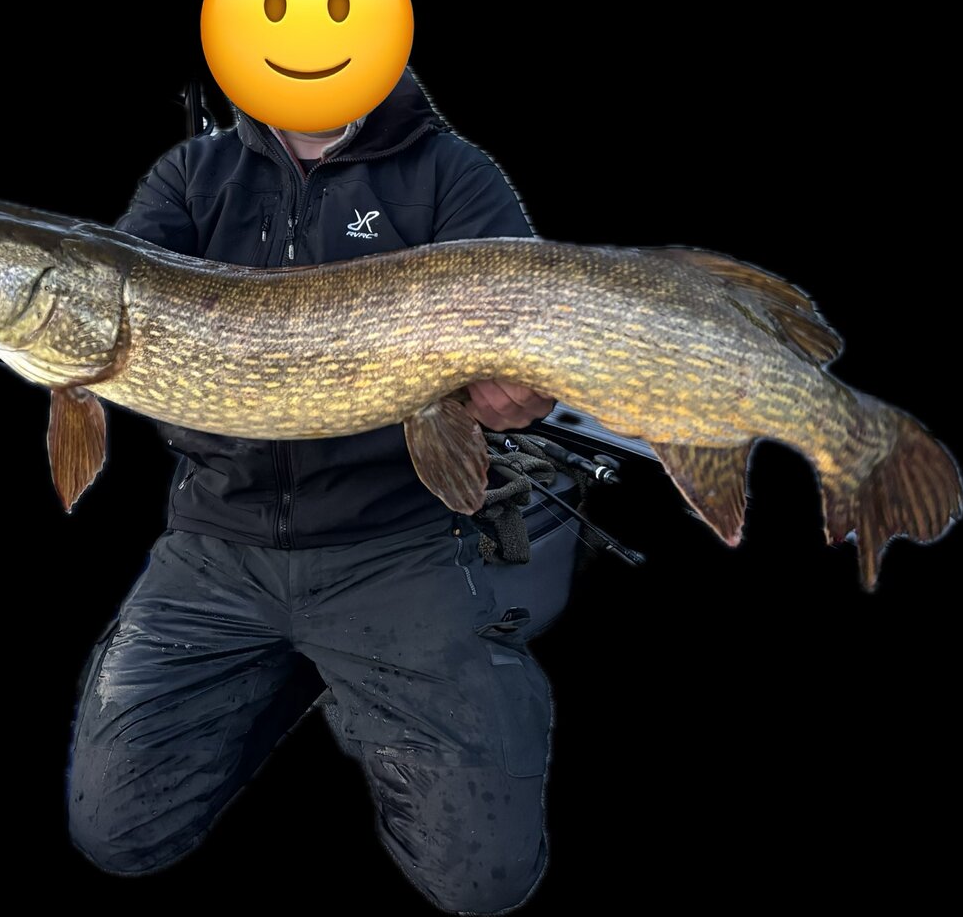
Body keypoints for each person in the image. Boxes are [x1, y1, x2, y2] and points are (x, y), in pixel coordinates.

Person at [65, 66, 587, 914]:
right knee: (115, 832)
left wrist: (521, 395)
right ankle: (294, 671)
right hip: (217, 549)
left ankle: (469, 670)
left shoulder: (452, 173)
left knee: (484, 882)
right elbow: (97, 297)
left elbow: (530, 344)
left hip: (395, 551)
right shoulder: (192, 174)